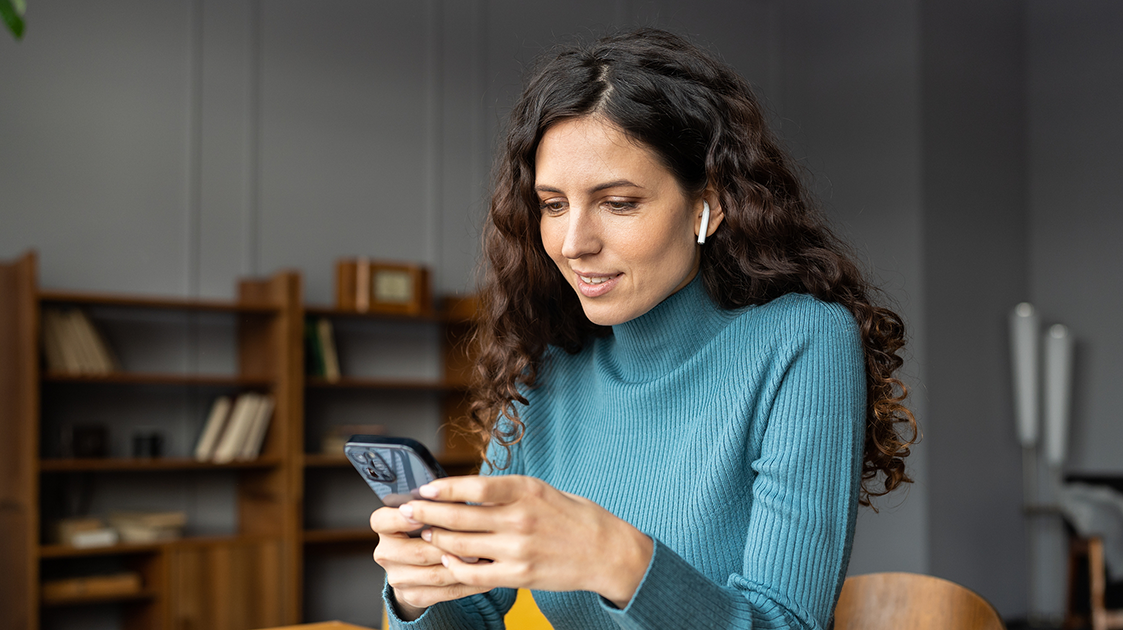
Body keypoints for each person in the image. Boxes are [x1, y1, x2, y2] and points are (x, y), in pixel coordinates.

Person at [369, 28, 916, 630]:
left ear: (708, 203)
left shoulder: (802, 344)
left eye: (619, 202)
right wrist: (420, 592)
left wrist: (615, 558)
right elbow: (476, 614)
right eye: (553, 205)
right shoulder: (544, 365)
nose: (575, 244)